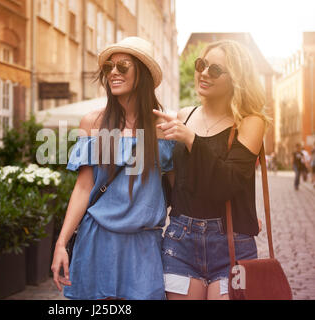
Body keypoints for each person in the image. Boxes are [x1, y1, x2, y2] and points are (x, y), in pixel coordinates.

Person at [50, 37, 175, 300]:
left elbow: (180, 189)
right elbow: (83, 188)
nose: (114, 72)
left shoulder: (162, 128)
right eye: (109, 67)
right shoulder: (93, 122)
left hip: (144, 244)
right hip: (97, 240)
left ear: (142, 72)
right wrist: (61, 243)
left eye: (123, 66)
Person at [154, 40, 269, 300]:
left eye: (215, 70)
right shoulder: (183, 115)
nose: (204, 73)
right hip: (181, 240)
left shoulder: (250, 123)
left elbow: (227, 183)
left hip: (231, 245)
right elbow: (176, 184)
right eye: (201, 65)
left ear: (237, 79)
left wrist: (192, 140)